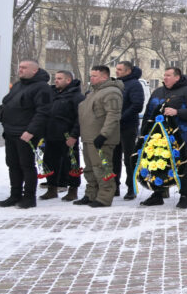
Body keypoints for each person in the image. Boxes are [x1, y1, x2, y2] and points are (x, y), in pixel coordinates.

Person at [138, 67, 187, 208]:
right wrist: (144, 133)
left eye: (168, 75)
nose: (165, 77)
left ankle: (184, 195)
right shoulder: (158, 92)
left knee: (182, 166)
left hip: (181, 136)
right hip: (158, 137)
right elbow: (149, 113)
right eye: (164, 75)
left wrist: (177, 112)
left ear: (177, 77)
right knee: (157, 164)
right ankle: (158, 194)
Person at [0, 60, 53, 209]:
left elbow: (43, 112)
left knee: (26, 165)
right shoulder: (18, 85)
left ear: (34, 70)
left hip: (26, 134)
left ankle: (29, 197)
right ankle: (15, 195)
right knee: (12, 164)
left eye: (24, 67)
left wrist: (31, 131)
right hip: (11, 132)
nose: (20, 69)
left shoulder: (42, 88)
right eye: (19, 67)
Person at [76, 65, 124, 207]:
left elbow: (113, 115)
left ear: (104, 77)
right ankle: (91, 194)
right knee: (90, 169)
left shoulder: (112, 92)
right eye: (91, 76)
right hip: (88, 137)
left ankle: (104, 197)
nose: (91, 78)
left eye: (94, 76)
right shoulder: (93, 93)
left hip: (101, 139)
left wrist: (103, 135)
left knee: (102, 168)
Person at [40, 70, 84, 202]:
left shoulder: (77, 97)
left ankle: (73, 190)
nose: (56, 80)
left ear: (68, 80)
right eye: (55, 78)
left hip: (67, 136)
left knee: (71, 164)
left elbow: (80, 118)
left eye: (59, 78)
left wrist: (74, 135)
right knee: (49, 162)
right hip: (51, 135)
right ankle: (52, 188)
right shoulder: (52, 94)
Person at [113, 61, 144, 200]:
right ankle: (114, 186)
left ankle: (131, 188)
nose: (117, 71)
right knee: (114, 158)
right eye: (117, 69)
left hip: (128, 127)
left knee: (129, 159)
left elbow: (137, 105)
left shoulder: (134, 84)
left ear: (128, 71)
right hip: (114, 127)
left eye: (120, 69)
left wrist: (120, 117)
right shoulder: (116, 83)